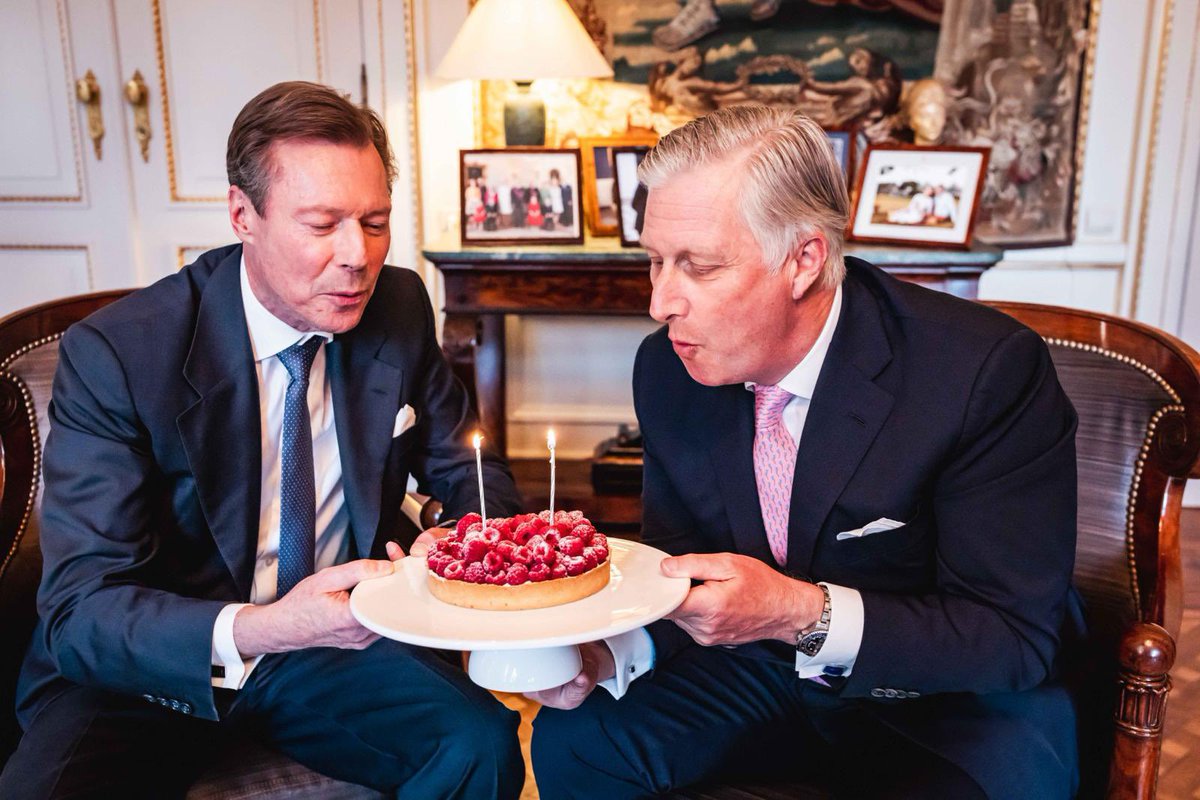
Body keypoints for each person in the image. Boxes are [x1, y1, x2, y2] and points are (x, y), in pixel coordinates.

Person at [529, 105, 1080, 799]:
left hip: (949, 704)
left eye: (697, 267)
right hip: (762, 672)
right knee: (580, 740)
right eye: (654, 261)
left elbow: (1011, 638)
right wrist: (606, 656)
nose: (661, 302)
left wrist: (799, 612)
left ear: (804, 259)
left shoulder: (983, 372)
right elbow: (680, 568)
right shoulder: (669, 370)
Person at [0, 81, 525, 799]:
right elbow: (81, 609)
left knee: (482, 745)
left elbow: (467, 462)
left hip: (334, 649)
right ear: (242, 214)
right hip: (152, 667)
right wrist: (262, 627)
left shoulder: (397, 304)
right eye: (322, 224)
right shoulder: (121, 355)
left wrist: (469, 538)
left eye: (376, 222)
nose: (357, 256)